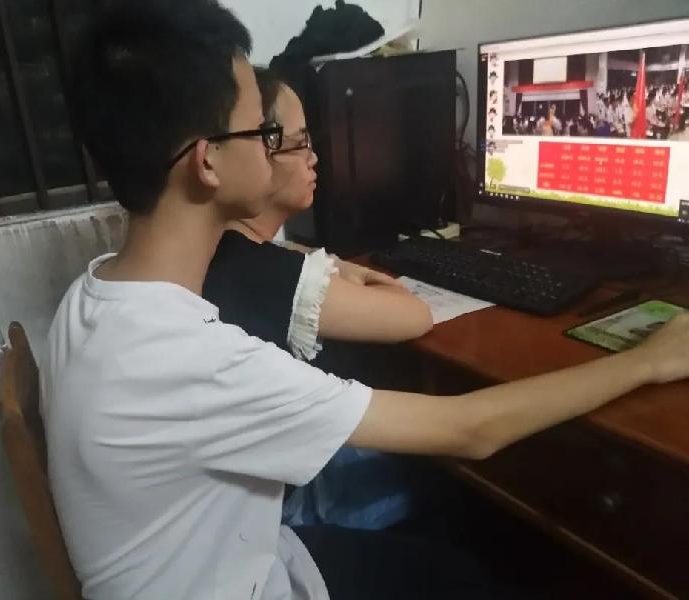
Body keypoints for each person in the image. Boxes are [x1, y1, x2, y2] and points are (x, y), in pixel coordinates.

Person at [43, 2, 689, 598]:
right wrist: (646, 362)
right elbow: (469, 430)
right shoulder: (188, 358)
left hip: (246, 558)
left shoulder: (95, 295)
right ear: (207, 163)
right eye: (260, 130)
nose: (277, 145)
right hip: (252, 583)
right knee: (470, 568)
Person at [203, 68, 432, 530]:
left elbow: (289, 255)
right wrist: (350, 272)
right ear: (258, 152)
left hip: (250, 480)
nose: (314, 158)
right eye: (300, 142)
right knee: (434, 476)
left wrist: (327, 264)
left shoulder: (216, 248)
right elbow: (417, 315)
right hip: (282, 512)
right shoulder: (270, 277)